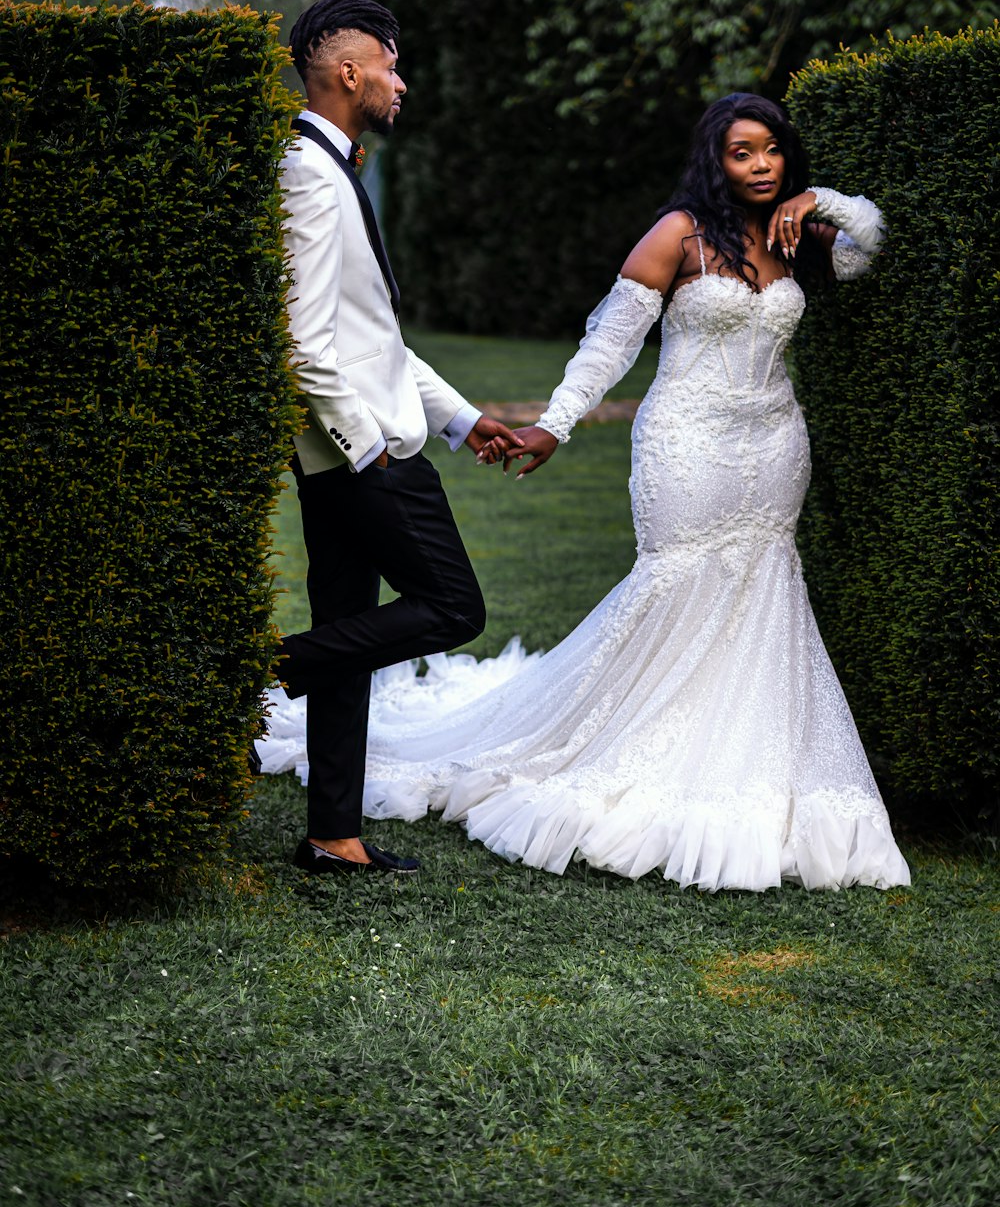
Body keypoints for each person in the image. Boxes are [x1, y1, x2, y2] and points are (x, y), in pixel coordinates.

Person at [264, 91, 910, 892]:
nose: (759, 166)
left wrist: (824, 201)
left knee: (763, 586)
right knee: (676, 581)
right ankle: (634, 744)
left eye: (772, 151)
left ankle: (740, 752)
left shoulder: (804, 235)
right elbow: (610, 343)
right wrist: (556, 425)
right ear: (715, 159)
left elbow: (873, 240)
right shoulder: (680, 235)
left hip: (775, 443)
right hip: (687, 441)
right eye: (741, 153)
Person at [273, 0, 519, 878]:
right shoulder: (307, 172)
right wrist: (367, 448)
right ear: (349, 72)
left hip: (344, 456)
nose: (399, 81)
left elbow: (372, 337)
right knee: (455, 608)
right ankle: (259, 670)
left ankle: (332, 836)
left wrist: (464, 420)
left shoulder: (332, 168)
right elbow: (302, 341)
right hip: (362, 457)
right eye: (390, 63)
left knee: (351, 626)